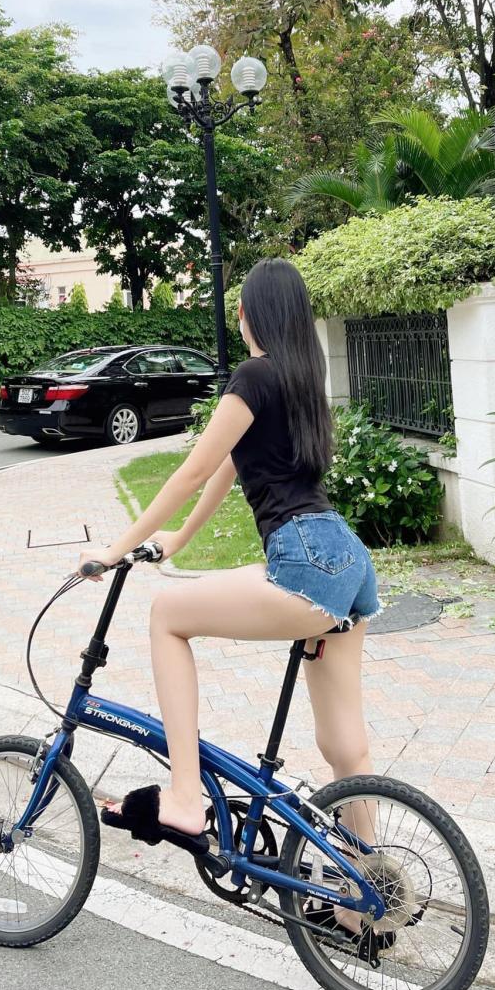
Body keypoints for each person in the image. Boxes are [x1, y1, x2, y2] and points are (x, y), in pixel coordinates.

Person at [77, 258, 381, 913]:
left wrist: (115, 550)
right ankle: (371, 894)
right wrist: (179, 540)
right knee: (344, 745)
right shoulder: (302, 377)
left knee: (167, 614)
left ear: (248, 315)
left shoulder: (254, 374)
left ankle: (185, 797)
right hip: (344, 556)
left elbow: (191, 471)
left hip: (302, 558)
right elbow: (227, 471)